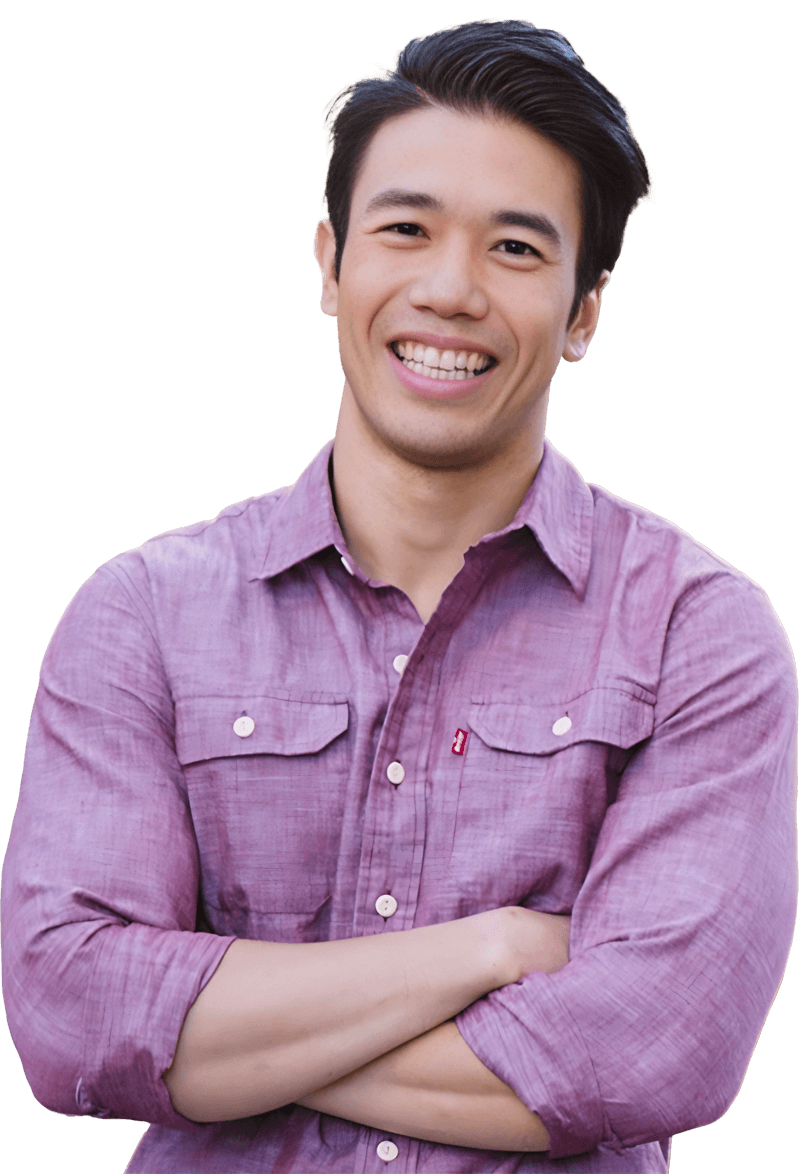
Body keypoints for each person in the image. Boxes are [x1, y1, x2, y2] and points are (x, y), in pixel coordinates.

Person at [2, 19, 796, 1172]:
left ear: (582, 312)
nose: (448, 289)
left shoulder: (696, 632)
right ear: (330, 262)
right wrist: (491, 949)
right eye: (405, 229)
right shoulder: (142, 616)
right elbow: (70, 1018)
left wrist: (209, 1045)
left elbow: (651, 1051)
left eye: (514, 248)